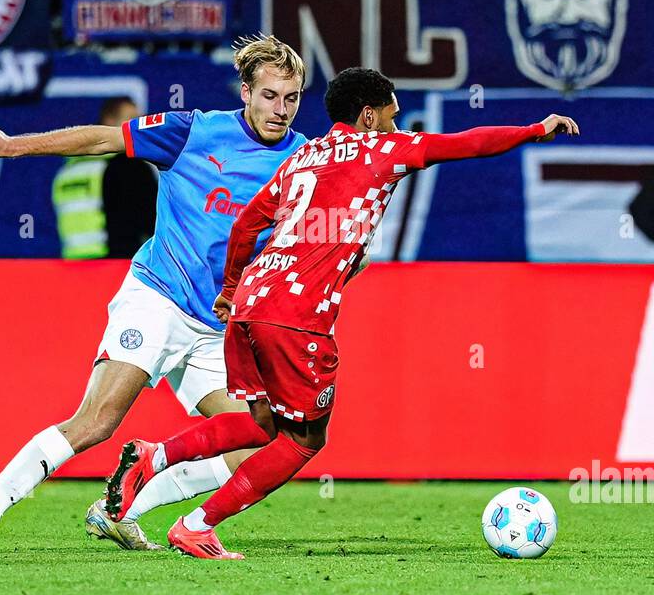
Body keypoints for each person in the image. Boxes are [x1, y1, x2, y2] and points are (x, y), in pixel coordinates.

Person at [103, 68, 580, 559]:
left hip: (250, 305)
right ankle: (196, 526)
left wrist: (230, 289)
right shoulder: (382, 150)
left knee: (259, 422)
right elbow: (468, 143)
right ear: (369, 116)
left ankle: (153, 455)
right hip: (297, 317)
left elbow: (247, 222)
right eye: (393, 119)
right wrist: (535, 130)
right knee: (305, 440)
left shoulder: (302, 156)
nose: (398, 130)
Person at [0, 36, 310, 553]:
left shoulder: (304, 161)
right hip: (158, 298)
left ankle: (119, 510)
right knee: (97, 421)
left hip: (217, 325)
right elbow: (101, 140)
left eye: (291, 98)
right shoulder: (193, 132)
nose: (281, 109)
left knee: (258, 436)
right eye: (270, 95)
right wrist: (12, 145)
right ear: (246, 91)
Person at [51, 96, 157, 260]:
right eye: (132, 121)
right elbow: (152, 222)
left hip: (72, 264)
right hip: (115, 266)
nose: (139, 129)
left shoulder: (67, 171)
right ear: (109, 121)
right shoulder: (128, 167)